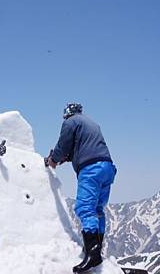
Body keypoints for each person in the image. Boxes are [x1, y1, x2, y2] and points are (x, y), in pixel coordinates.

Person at [46, 103, 117, 273]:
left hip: (91, 169)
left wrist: (54, 160)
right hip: (107, 167)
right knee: (97, 209)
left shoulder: (71, 122)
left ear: (67, 114)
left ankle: (92, 254)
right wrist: (68, 158)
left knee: (84, 208)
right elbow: (85, 147)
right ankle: (95, 249)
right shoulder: (91, 123)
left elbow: (63, 145)